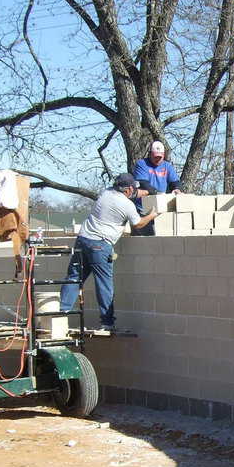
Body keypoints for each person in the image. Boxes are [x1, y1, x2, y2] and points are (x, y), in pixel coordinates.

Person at [59, 173, 159, 334]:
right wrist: (152, 215)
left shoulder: (106, 193)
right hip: (100, 245)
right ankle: (107, 323)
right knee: (104, 284)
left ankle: (59, 315)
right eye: (133, 189)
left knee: (74, 277)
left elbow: (130, 196)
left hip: (83, 239)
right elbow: (138, 223)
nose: (135, 191)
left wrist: (146, 192)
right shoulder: (126, 205)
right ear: (127, 190)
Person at [131, 140, 181, 235]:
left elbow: (175, 182)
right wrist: (158, 193)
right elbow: (143, 183)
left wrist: (177, 188)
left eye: (160, 157)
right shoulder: (142, 164)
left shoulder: (167, 166)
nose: (158, 159)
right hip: (143, 210)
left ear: (163, 155)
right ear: (150, 154)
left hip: (160, 208)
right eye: (155, 157)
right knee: (145, 240)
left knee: (160, 240)